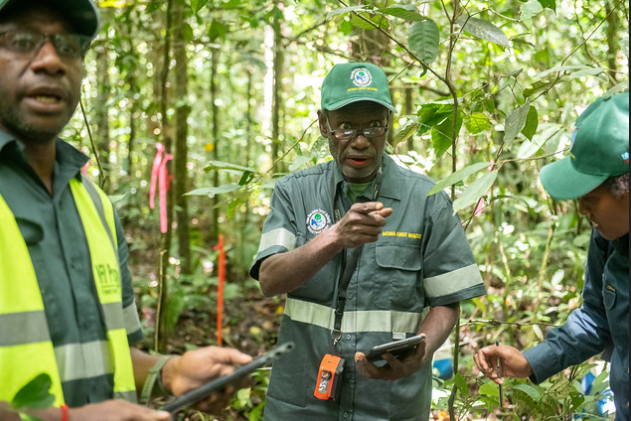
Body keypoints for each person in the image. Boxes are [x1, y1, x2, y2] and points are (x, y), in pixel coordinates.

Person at [0, 1, 252, 420]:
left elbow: (111, 352)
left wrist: (170, 371)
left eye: (68, 45)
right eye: (23, 41)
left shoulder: (94, 205)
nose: (50, 60)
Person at [250, 62, 487, 420]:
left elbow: (447, 302)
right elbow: (269, 279)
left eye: (374, 125)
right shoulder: (293, 193)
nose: (360, 140)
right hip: (301, 400)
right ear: (323, 125)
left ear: (388, 124)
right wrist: (334, 237)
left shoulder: (426, 199)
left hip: (390, 402)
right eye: (346, 127)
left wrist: (420, 354)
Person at [474, 93, 629, 420]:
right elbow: (597, 318)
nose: (582, 210)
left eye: (590, 198)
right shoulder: (608, 237)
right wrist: (532, 360)